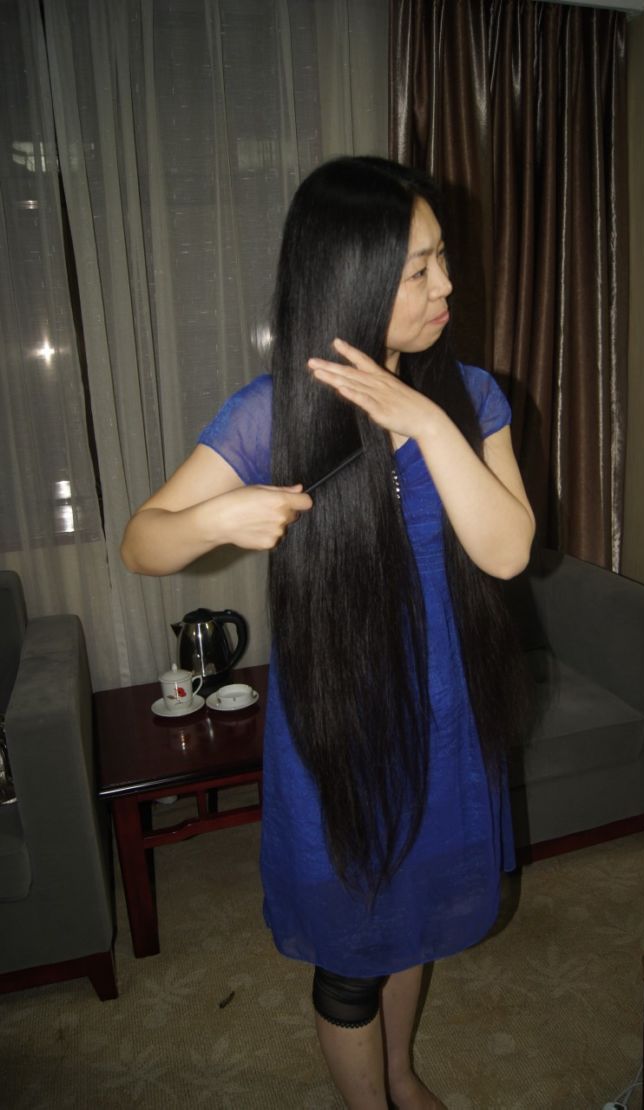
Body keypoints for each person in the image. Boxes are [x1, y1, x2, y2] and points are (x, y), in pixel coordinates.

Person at [121, 156, 535, 1110]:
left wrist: (427, 422)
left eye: (443, 259)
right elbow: (144, 541)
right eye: (420, 269)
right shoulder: (272, 412)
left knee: (415, 920)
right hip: (338, 724)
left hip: (446, 716)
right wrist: (217, 519)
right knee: (352, 952)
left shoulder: (471, 397)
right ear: (353, 278)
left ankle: (399, 1074)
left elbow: (508, 550)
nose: (447, 285)